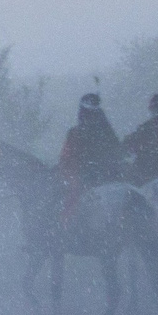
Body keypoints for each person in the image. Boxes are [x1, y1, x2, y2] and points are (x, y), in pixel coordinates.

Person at [57, 92, 125, 221]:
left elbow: (67, 157)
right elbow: (117, 152)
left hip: (87, 178)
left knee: (70, 202)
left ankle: (66, 225)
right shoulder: (107, 131)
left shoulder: (76, 133)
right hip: (112, 176)